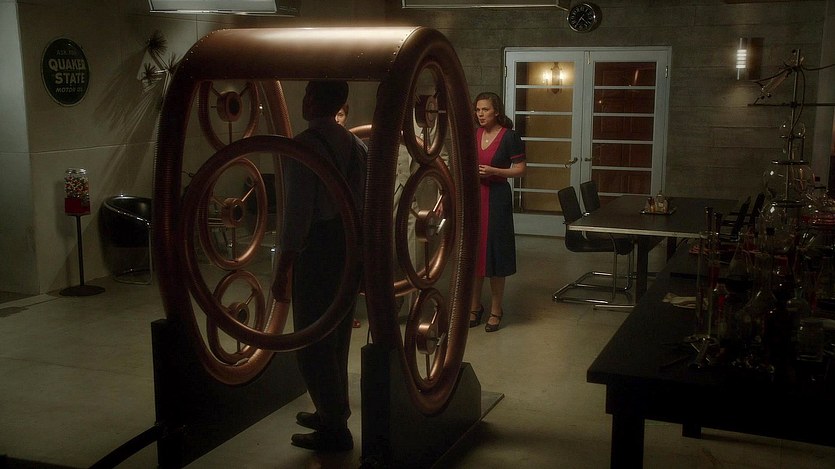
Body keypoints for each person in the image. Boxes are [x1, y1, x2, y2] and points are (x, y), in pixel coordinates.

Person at [278, 80, 366, 452]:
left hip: (318, 249)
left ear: (313, 100)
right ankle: (331, 411)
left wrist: (283, 266)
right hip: (348, 245)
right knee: (337, 338)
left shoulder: (304, 146)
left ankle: (334, 428)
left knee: (311, 341)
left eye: (307, 94)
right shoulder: (356, 145)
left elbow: (298, 214)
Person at [470, 92, 526, 332]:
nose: (480, 114)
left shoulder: (510, 136)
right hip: (475, 197)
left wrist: (495, 171)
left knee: (495, 254)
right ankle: (474, 306)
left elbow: (521, 169)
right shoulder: (475, 134)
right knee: (474, 253)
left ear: (497, 111)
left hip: (497, 198)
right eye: (478, 110)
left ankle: (496, 309)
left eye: (485, 109)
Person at [333, 102, 363, 329]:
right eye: (334, 114)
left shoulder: (356, 145)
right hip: (330, 216)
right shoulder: (355, 144)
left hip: (349, 216)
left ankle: (345, 314)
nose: (337, 119)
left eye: (341, 115)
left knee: (347, 267)